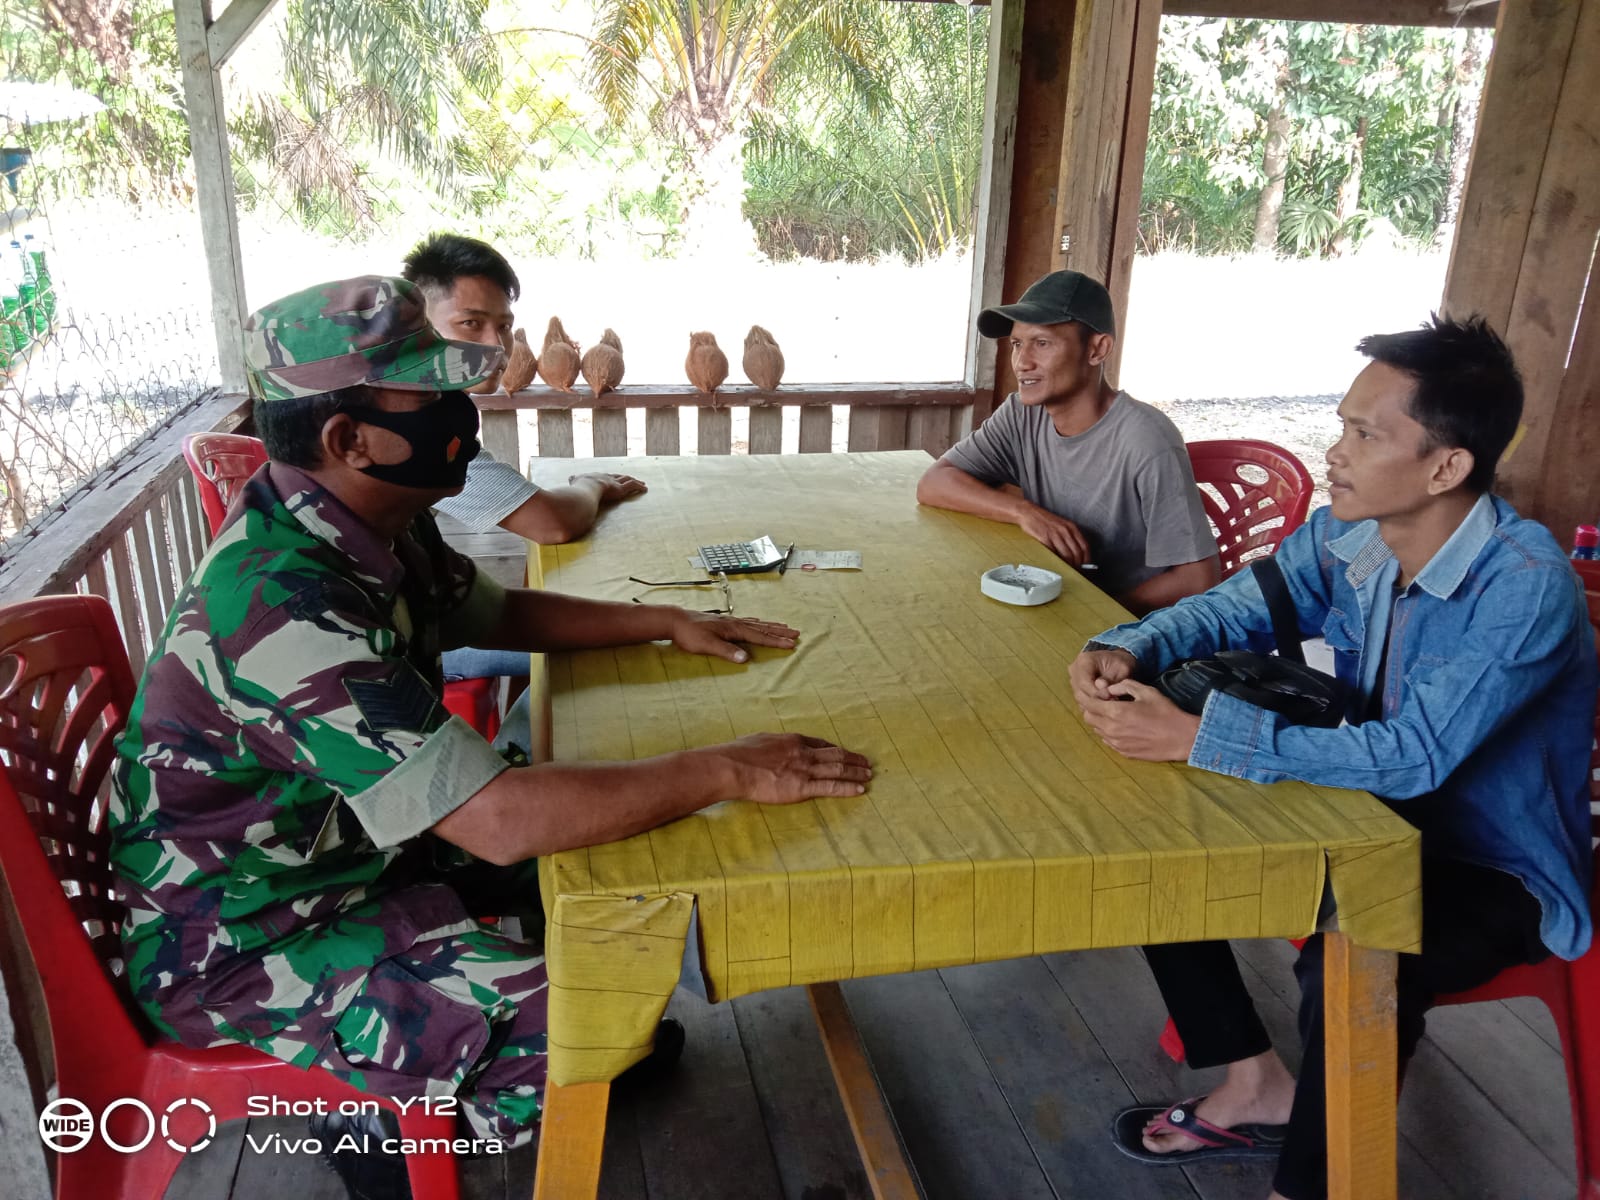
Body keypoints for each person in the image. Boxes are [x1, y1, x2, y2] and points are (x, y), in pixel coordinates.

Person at [107, 276, 871, 1195]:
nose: (460, 412)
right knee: (587, 990)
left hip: (341, 855)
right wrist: (723, 768)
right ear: (350, 440)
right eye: (431, 398)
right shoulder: (283, 607)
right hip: (247, 942)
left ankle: (545, 1059)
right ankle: (395, 1136)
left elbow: (495, 609)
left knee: (631, 848)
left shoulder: (365, 523)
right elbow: (500, 821)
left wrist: (662, 620)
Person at [1067, 315, 1596, 1200]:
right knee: (1152, 846)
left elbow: (1416, 756)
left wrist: (1200, 737)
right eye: (1342, 425)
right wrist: (1131, 647)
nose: (1335, 451)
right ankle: (1254, 1084)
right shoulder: (1350, 538)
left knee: (1353, 944)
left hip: (1489, 860)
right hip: (1363, 810)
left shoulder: (1524, 586)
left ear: (1446, 467)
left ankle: (1309, 1184)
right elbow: (1233, 608)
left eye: (1364, 433)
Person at [916, 269, 1219, 615]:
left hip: (1130, 628)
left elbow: (1199, 579)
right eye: (1017, 343)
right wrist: (1022, 511)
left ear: (1096, 349)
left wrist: (1098, 615)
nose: (1022, 362)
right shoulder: (1022, 414)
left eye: (1042, 343)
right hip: (1057, 596)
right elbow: (933, 482)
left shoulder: (1146, 440)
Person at [401, 231, 645, 545]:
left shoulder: (442, 407)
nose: (496, 345)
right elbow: (552, 522)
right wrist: (592, 482)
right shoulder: (411, 419)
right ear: (419, 327)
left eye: (504, 326)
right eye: (471, 323)